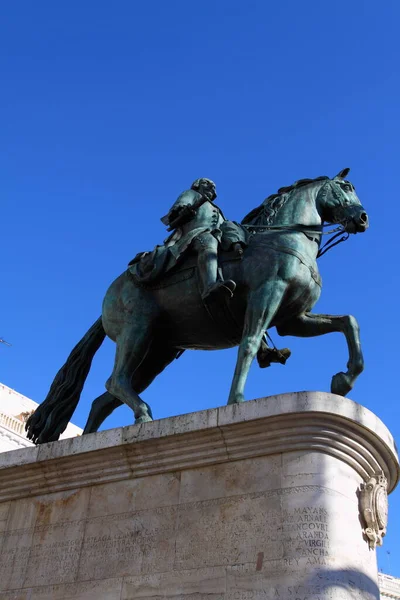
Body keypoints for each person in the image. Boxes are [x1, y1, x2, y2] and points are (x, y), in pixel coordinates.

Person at [161, 178, 237, 301]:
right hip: (196, 234)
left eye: (213, 185)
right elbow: (177, 210)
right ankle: (209, 286)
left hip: (220, 237)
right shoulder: (191, 194)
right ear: (197, 185)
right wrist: (182, 211)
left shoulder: (218, 210)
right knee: (208, 242)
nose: (211, 186)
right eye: (207, 183)